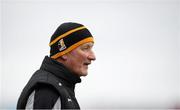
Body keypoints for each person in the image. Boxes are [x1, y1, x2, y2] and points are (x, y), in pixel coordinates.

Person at [17, 22, 96, 109]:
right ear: (63, 53)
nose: (93, 57)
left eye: (91, 48)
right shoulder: (47, 90)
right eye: (85, 48)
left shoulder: (60, 87)